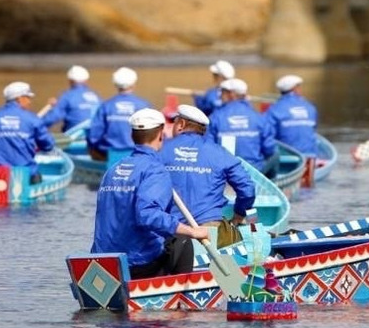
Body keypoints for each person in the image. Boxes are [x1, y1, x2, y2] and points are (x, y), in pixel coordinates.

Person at [91, 108, 210, 279]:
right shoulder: (155, 170)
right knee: (183, 241)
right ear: (161, 135)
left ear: (133, 136)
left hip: (104, 262)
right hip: (136, 265)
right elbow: (148, 214)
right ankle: (180, 297)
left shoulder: (113, 169)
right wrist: (192, 231)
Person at [160, 104, 255, 234]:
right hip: (208, 228)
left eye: (174, 123)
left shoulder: (159, 151)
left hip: (169, 227)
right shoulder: (220, 153)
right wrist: (239, 213)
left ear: (181, 124)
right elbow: (247, 189)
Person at [0, 81, 55, 184]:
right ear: (19, 98)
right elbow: (48, 145)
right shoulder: (32, 119)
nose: (30, 102)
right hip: (26, 177)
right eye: (28, 98)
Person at [206, 78, 277, 174]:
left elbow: (207, 148)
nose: (219, 96)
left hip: (226, 173)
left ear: (231, 94)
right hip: (255, 172)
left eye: (222, 92)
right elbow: (269, 149)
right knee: (276, 155)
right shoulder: (258, 117)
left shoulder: (215, 117)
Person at [86, 67, 151, 161]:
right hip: (139, 154)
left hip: (111, 155)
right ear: (133, 84)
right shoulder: (144, 105)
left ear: (115, 84)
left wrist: (93, 149)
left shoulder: (106, 106)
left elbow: (93, 136)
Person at [263, 74, 318, 157]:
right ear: (295, 89)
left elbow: (267, 135)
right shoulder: (310, 107)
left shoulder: (274, 109)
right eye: (299, 87)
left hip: (286, 157)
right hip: (310, 156)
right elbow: (313, 129)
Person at [42, 65, 99, 134]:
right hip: (95, 134)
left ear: (70, 80)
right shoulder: (96, 96)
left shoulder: (67, 96)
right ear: (86, 80)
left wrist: (36, 125)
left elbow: (51, 118)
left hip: (74, 136)